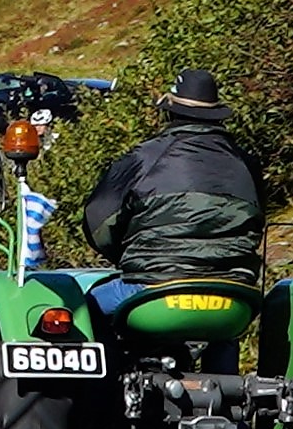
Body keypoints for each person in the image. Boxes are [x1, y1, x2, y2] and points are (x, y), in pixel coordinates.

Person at [80, 71, 266, 284]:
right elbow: (258, 221)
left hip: (155, 287)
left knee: (90, 302)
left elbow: (97, 221)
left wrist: (127, 257)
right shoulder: (246, 162)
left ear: (169, 113)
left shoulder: (144, 157)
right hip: (234, 291)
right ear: (216, 114)